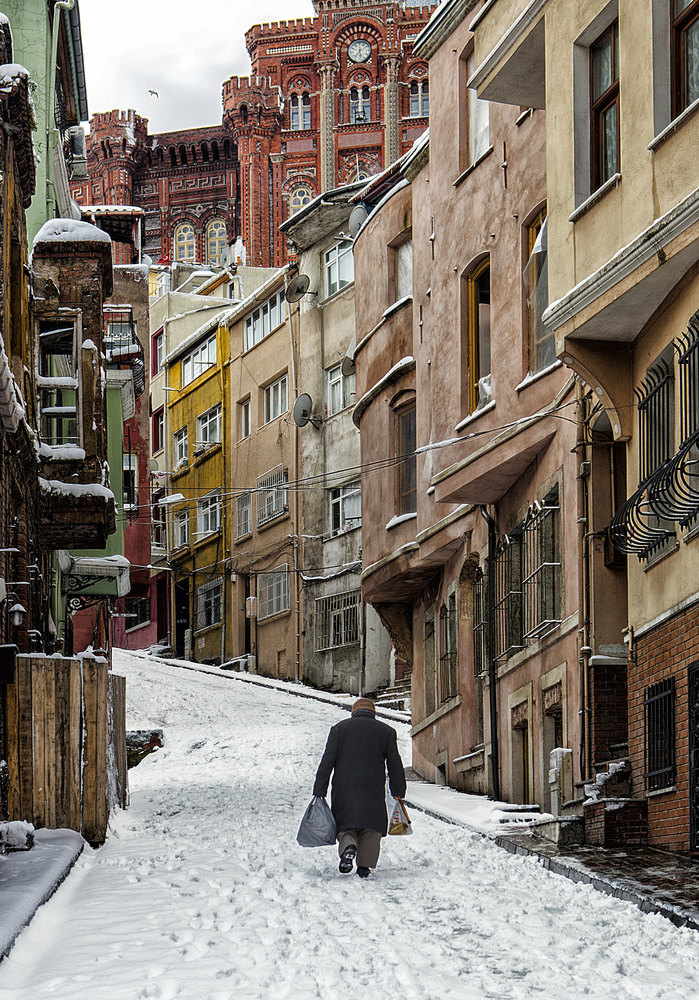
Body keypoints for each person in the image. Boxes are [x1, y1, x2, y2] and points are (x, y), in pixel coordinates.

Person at [312, 696, 407, 878]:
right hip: (373, 787)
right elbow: (395, 762)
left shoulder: (339, 730)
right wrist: (398, 790)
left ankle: (349, 846)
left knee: (346, 824)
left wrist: (320, 789)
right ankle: (364, 866)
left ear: (353, 712)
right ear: (374, 713)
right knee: (371, 827)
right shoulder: (386, 731)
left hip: (344, 787)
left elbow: (327, 760)